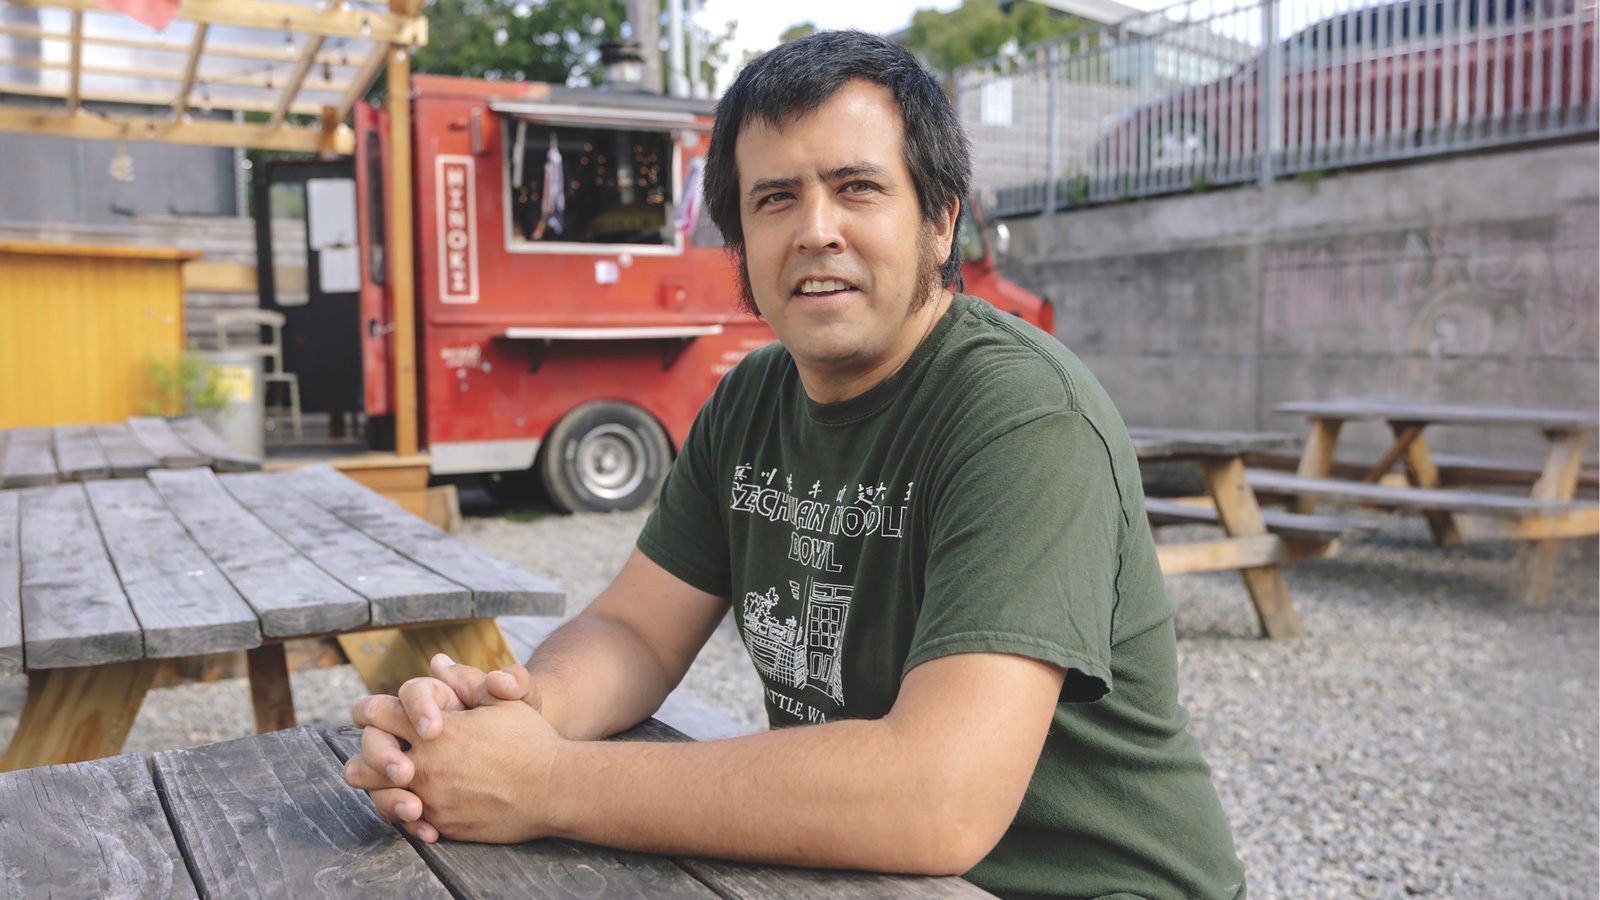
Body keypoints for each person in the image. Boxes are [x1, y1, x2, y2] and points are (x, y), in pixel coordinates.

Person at [343, 30, 1246, 899]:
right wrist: (512, 717)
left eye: (858, 188)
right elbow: (635, 632)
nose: (816, 230)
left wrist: (546, 782)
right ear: (739, 244)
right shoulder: (752, 397)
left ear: (940, 223)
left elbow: (935, 798)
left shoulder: (1023, 417)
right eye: (775, 199)